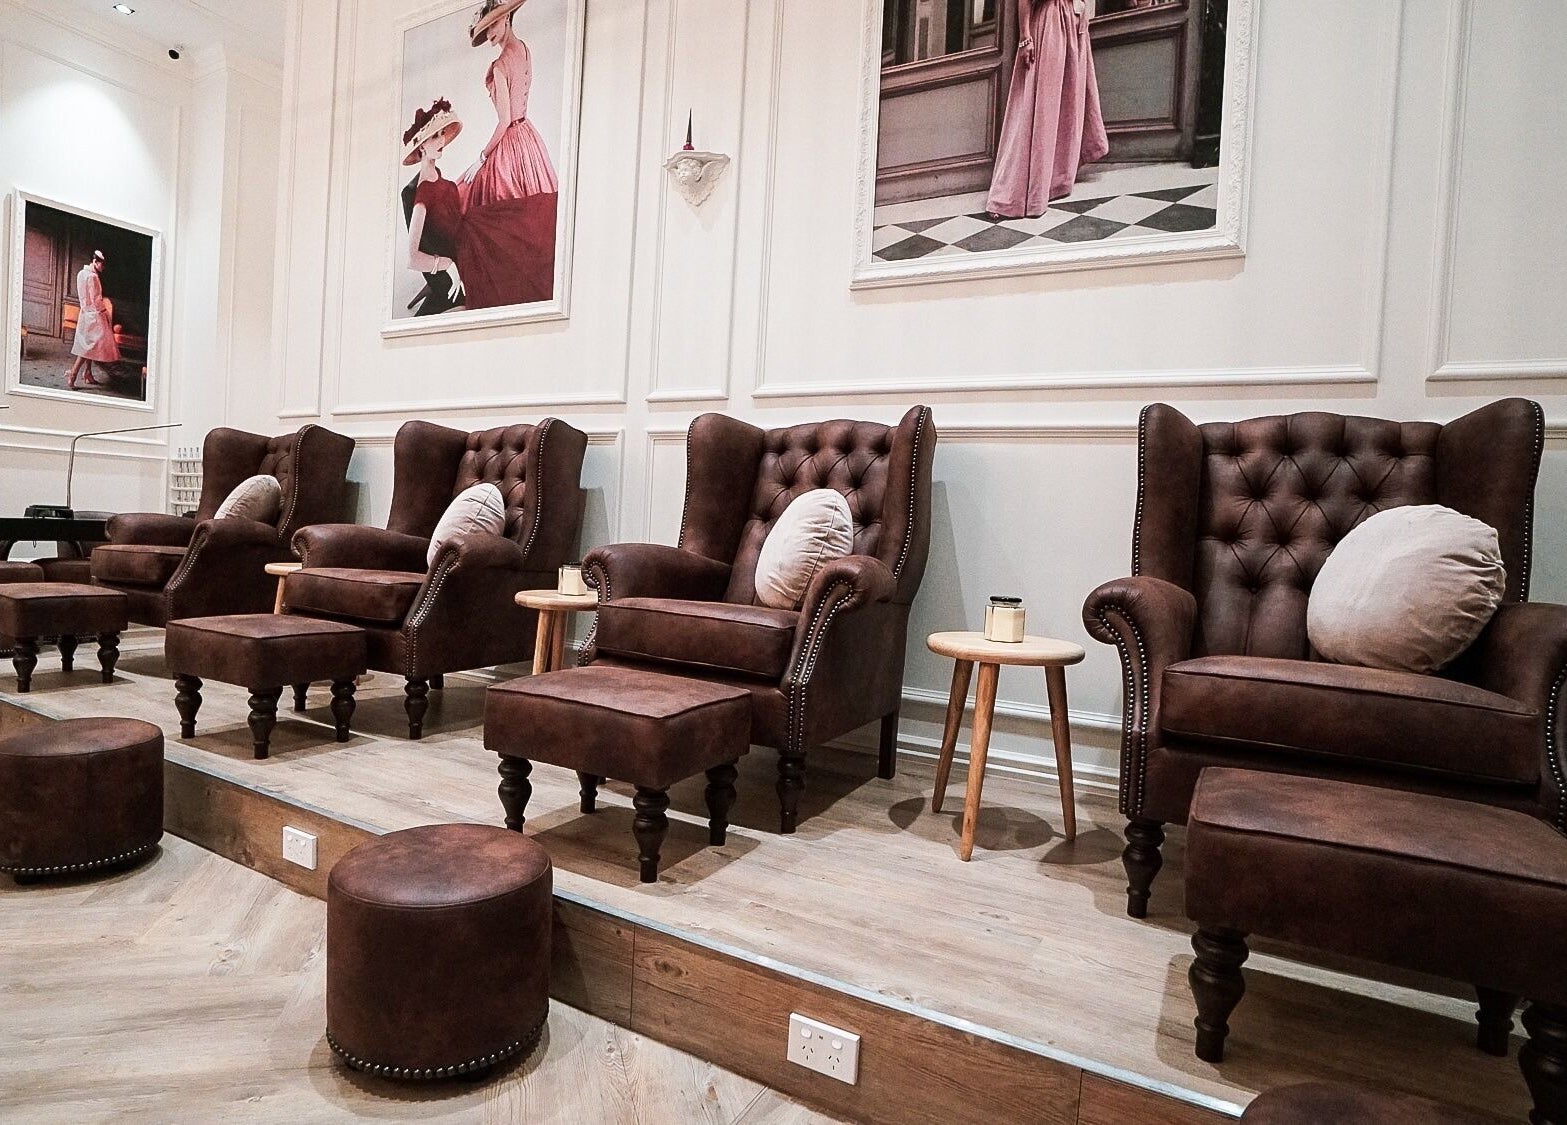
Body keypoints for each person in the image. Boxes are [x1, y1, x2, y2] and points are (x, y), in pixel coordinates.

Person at [985, 0, 1110, 219]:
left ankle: (1056, 180)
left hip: (1074, 22)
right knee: (1042, 105)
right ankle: (1011, 195)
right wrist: (1025, 37)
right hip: (1050, 21)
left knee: (1068, 102)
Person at [461, 0, 559, 208]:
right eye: (486, 29)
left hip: (511, 143)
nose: (489, 34)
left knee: (475, 197)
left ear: (506, 17)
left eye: (493, 24)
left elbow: (504, 121)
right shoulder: (524, 48)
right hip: (528, 136)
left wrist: (481, 158)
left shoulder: (500, 66)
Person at [400, 97, 466, 316]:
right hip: (449, 268)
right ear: (421, 146)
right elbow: (412, 258)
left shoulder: (443, 182)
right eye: (434, 136)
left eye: (441, 134)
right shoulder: (423, 192)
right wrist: (447, 265)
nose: (441, 140)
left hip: (463, 253)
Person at [65, 250, 120, 389]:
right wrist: (104, 312)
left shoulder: (81, 273)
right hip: (94, 315)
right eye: (102, 265)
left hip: (85, 314)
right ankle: (73, 374)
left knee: (90, 345)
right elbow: (96, 299)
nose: (103, 268)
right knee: (89, 347)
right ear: (95, 262)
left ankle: (88, 373)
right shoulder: (93, 277)